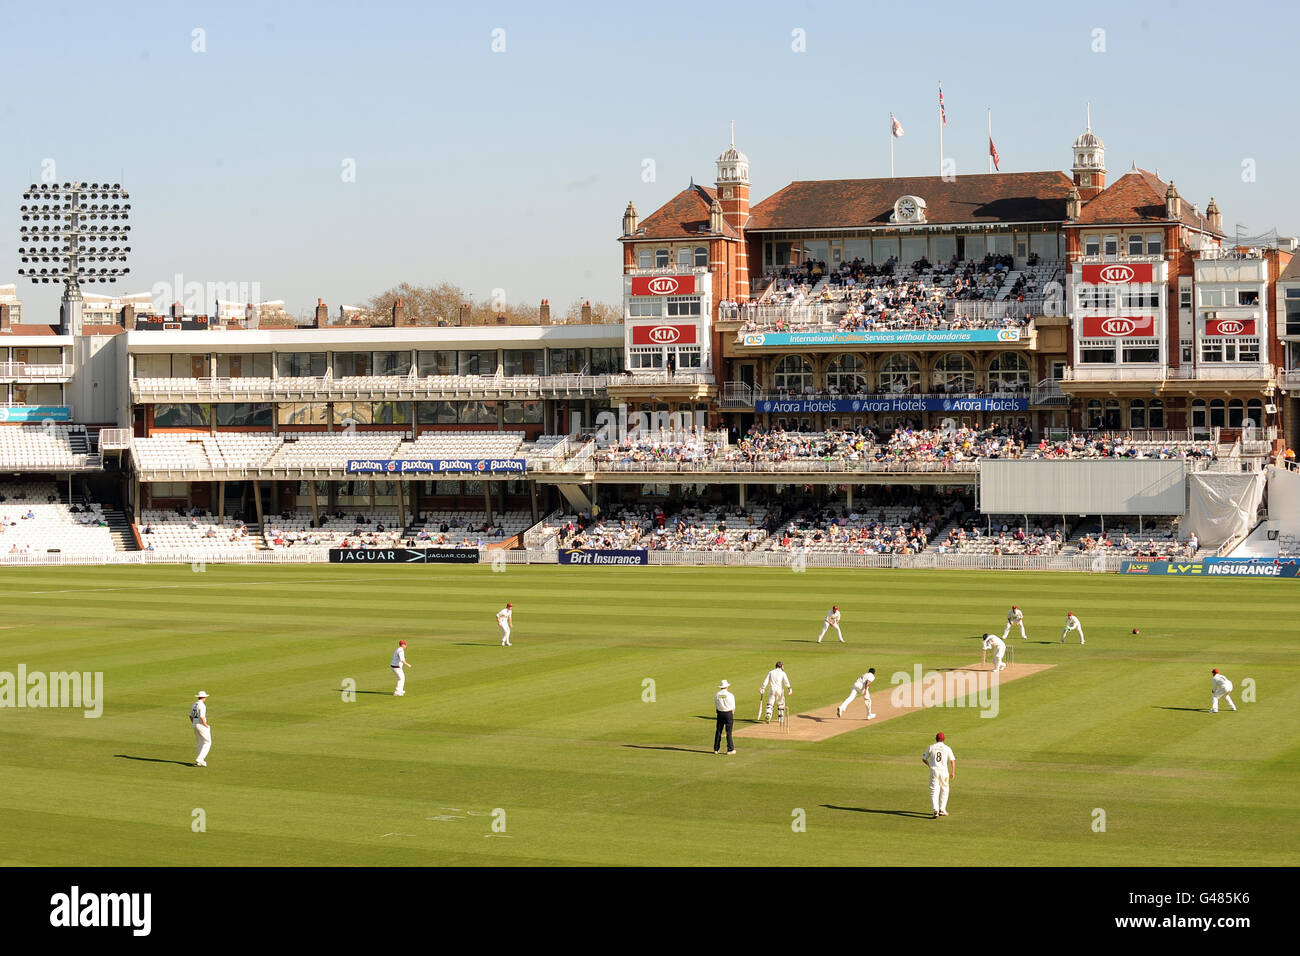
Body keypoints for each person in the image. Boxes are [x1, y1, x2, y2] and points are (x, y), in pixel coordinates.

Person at [921, 731, 956, 819]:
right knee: (945, 789)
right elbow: (952, 761)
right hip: (944, 772)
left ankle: (935, 810)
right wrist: (953, 772)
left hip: (934, 771)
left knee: (934, 790)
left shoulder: (931, 747)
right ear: (944, 739)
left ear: (936, 739)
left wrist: (930, 765)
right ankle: (942, 809)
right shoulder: (947, 748)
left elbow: (924, 758)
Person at [714, 680, 737, 755]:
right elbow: (733, 706)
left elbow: (716, 704)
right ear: (727, 687)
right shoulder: (730, 695)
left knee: (718, 731)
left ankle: (716, 749)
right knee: (728, 732)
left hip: (720, 713)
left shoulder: (717, 694)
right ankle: (730, 749)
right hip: (728, 713)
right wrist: (731, 713)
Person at [189, 691, 212, 767]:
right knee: (207, 742)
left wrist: (194, 723)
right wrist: (206, 725)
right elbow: (202, 717)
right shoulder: (202, 705)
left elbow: (190, 716)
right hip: (201, 725)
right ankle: (200, 759)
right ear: (204, 697)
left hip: (195, 725)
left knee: (200, 742)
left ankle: (199, 762)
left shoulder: (194, 704)